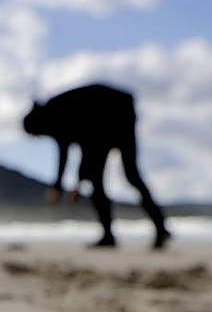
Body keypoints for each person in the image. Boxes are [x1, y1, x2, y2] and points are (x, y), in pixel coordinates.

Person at [23, 83, 171, 249]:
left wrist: (67, 185)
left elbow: (73, 151)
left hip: (110, 118)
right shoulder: (56, 110)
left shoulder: (56, 115)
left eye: (36, 135)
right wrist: (75, 183)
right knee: (128, 177)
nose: (39, 137)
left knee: (110, 180)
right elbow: (84, 147)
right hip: (116, 115)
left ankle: (113, 235)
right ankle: (158, 228)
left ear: (36, 125)